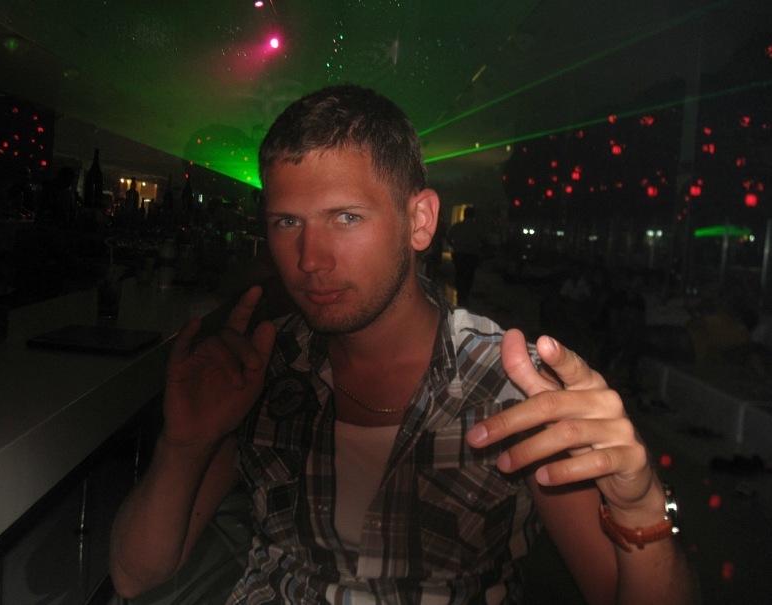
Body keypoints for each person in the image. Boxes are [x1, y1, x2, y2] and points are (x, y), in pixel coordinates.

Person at [110, 84, 699, 604]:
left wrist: (641, 510)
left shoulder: (510, 386)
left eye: (346, 218)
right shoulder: (266, 366)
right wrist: (184, 445)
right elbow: (135, 576)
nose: (310, 260)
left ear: (420, 221)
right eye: (287, 222)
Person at [446, 206, 483, 306]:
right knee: (469, 276)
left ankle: (460, 296)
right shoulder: (476, 227)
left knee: (460, 275)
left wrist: (454, 246)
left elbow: (448, 237)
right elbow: (482, 240)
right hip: (471, 255)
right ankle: (465, 296)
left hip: (460, 254)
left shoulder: (458, 226)